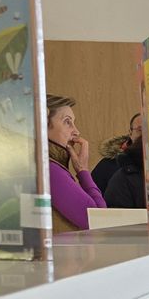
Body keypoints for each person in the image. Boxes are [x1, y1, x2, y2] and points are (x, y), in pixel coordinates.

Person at [45, 95, 106, 232]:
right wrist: (83, 170)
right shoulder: (49, 170)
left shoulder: (41, 165)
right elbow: (99, 222)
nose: (76, 131)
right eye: (67, 122)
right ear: (42, 125)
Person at [90, 112, 143, 192]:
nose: (146, 134)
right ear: (130, 133)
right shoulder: (108, 165)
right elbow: (91, 196)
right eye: (140, 130)